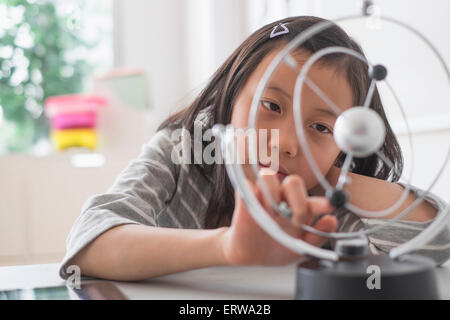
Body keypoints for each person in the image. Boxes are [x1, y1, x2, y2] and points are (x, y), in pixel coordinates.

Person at [59, 16, 450, 281]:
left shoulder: (323, 200)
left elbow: (435, 241)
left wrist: (339, 177)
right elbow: (90, 243)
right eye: (272, 106)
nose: (285, 143)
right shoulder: (183, 151)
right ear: (230, 95)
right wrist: (228, 248)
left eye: (321, 127)